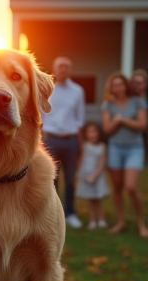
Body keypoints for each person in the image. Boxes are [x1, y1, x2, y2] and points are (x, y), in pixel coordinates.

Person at [101, 71, 148, 238]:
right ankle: (121, 222)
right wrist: (116, 122)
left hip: (135, 148)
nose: (117, 87)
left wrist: (122, 120)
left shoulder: (137, 102)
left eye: (120, 84)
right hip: (115, 149)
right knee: (118, 188)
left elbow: (143, 125)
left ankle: (141, 223)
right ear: (111, 88)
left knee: (131, 187)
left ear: (125, 85)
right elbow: (108, 130)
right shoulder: (107, 105)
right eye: (114, 84)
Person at [42, 56, 85, 228]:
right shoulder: (47, 89)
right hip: (51, 139)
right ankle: (52, 214)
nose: (63, 69)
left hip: (70, 141)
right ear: (55, 68)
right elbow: (41, 115)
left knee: (69, 179)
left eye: (67, 66)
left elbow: (79, 119)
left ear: (70, 70)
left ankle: (70, 213)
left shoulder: (78, 91)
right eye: (60, 66)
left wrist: (80, 145)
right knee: (51, 180)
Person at [77, 122, 109, 230]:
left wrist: (95, 176)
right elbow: (81, 160)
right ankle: (93, 220)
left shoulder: (102, 147)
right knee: (90, 200)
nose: (93, 135)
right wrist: (80, 174)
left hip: (97, 176)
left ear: (99, 133)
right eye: (90, 132)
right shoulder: (84, 146)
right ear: (86, 134)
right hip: (86, 176)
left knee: (98, 200)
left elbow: (102, 163)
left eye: (95, 132)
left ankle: (101, 219)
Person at [131, 69, 148, 164]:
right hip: (133, 138)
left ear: (145, 84)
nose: (136, 85)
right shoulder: (128, 99)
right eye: (134, 83)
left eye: (139, 83)